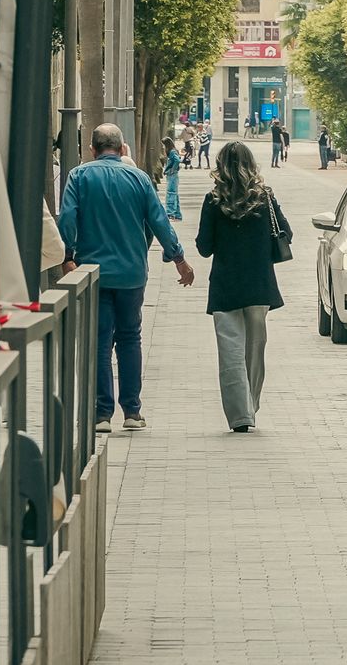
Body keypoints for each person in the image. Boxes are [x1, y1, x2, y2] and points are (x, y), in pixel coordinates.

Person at [58, 124, 196, 433]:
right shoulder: (139, 178)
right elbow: (159, 220)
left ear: (92, 150)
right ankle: (132, 411)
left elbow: (67, 218)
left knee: (99, 340)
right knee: (130, 338)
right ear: (122, 150)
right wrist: (179, 259)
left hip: (92, 273)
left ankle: (101, 413)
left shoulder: (79, 177)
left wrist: (67, 257)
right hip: (132, 273)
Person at [195, 143, 291, 433]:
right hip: (259, 284)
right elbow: (287, 233)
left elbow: (204, 247)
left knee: (230, 351)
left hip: (226, 285)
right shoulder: (265, 198)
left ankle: (240, 415)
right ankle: (252, 404)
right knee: (254, 349)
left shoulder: (213, 200)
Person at [161, 137, 183, 220]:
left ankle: (170, 213)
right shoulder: (173, 151)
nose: (163, 147)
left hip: (172, 176)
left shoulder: (172, 152)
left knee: (171, 193)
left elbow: (177, 160)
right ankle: (177, 214)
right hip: (172, 175)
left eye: (163, 145)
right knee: (174, 194)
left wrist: (172, 170)